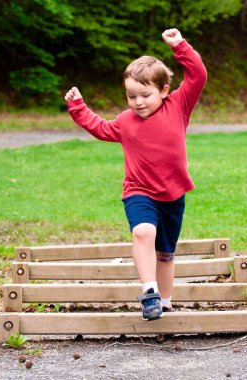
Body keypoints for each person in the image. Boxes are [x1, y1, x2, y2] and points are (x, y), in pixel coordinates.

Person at [65, 28, 207, 321]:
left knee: (165, 253)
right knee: (143, 232)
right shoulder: (126, 121)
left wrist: (179, 46)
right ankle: (149, 292)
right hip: (138, 191)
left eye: (145, 95)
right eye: (131, 96)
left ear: (164, 90)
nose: (138, 102)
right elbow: (100, 127)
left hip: (173, 194)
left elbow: (198, 74)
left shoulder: (178, 105)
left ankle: (165, 301)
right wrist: (78, 107)